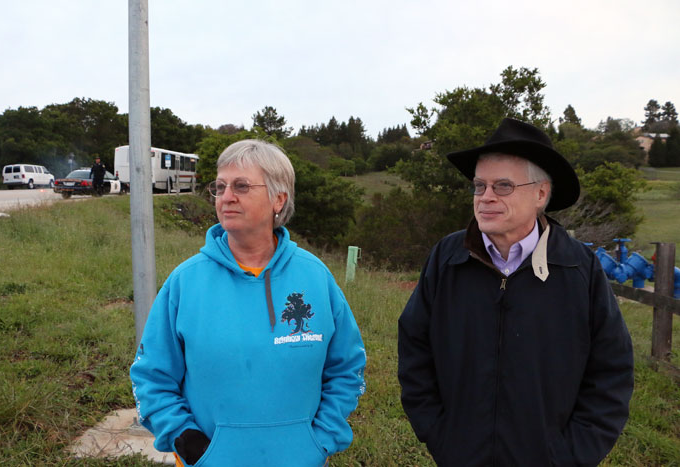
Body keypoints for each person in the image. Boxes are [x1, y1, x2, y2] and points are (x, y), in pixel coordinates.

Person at [397, 118, 634, 466]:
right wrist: (439, 433)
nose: (486, 197)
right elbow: (415, 346)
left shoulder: (578, 268)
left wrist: (570, 455)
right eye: (479, 186)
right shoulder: (448, 259)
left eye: (503, 186)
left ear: (540, 193)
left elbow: (611, 370)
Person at [130, 139, 366, 467]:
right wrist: (188, 441)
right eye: (221, 186)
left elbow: (346, 367)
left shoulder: (315, 277)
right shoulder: (186, 281)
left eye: (241, 186)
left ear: (278, 200)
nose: (227, 196)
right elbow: (151, 376)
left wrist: (320, 440)